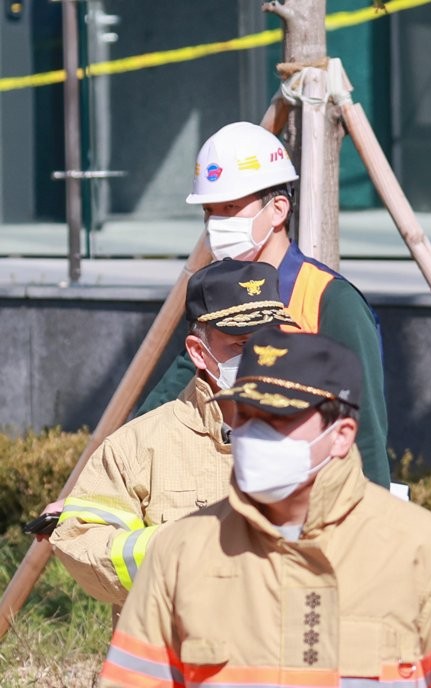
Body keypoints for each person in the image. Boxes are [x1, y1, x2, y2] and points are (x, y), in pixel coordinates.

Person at [99, 329, 431, 687]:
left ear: (341, 435)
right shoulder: (181, 552)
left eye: (277, 418)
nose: (252, 434)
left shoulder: (423, 550)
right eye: (243, 414)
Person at [136, 121, 390, 488]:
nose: (217, 223)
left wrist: (370, 527)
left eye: (231, 207)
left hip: (313, 505)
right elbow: (172, 398)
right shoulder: (215, 296)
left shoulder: (329, 300)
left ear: (278, 210)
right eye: (210, 212)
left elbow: (364, 432)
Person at [50, 260, 295, 605]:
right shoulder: (137, 446)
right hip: (174, 652)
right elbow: (81, 542)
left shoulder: (316, 432)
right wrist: (187, 548)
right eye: (240, 346)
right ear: (198, 352)